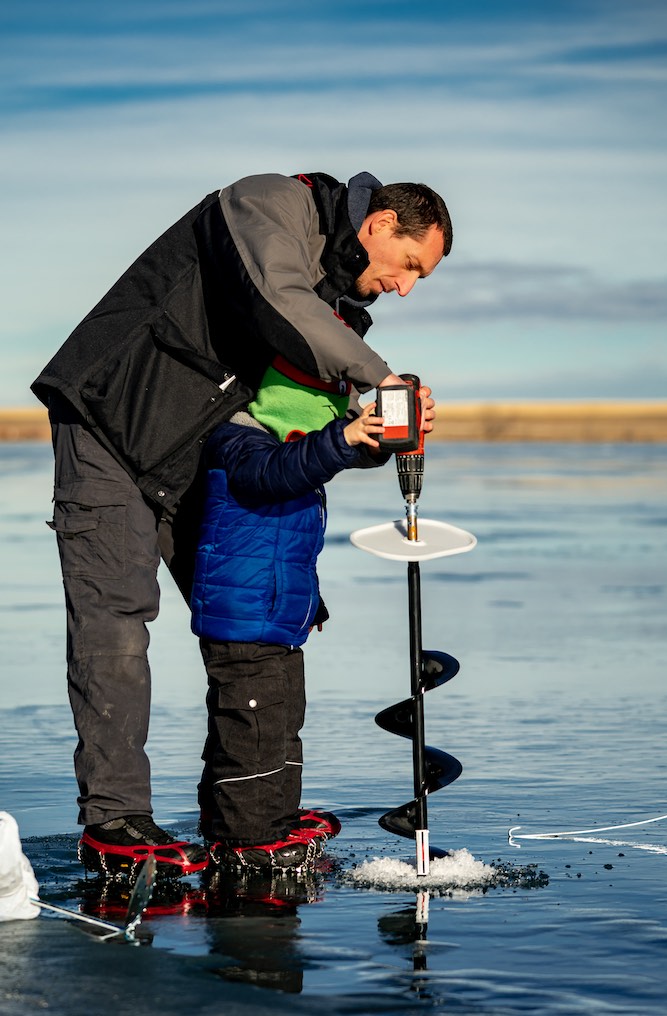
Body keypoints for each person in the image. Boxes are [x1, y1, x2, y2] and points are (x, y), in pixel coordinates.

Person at [31, 170, 452, 878]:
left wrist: (374, 433)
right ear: (379, 224)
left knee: (256, 621)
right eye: (410, 266)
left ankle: (247, 822)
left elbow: (308, 426)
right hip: (109, 420)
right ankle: (117, 822)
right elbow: (274, 296)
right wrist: (380, 378)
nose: (406, 287)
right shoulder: (270, 202)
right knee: (117, 618)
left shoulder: (339, 306)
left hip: (198, 450)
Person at [192, 356, 386, 871]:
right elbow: (275, 474)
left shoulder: (291, 452)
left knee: (279, 718)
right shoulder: (238, 441)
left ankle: (273, 818)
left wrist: (383, 437)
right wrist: (342, 439)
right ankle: (248, 838)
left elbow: (286, 545)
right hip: (241, 616)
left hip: (277, 614)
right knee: (251, 725)